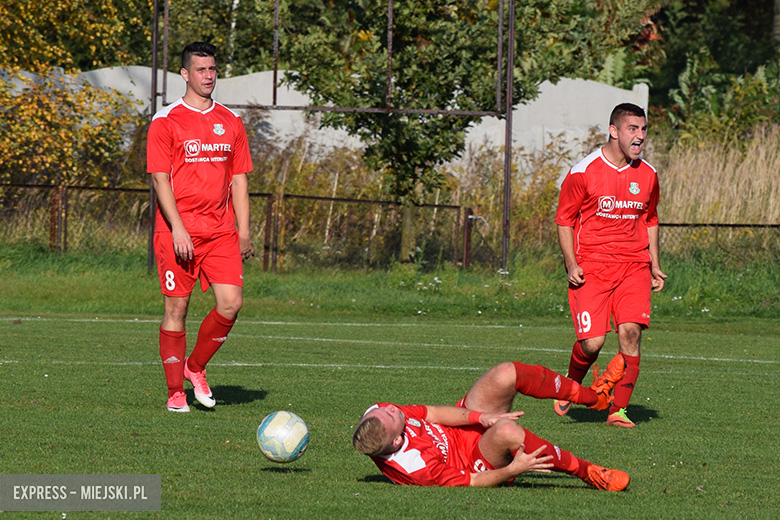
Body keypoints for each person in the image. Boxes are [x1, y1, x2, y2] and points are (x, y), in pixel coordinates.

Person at [146, 42, 254, 412]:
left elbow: (239, 180)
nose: (208, 76)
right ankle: (176, 391)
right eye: (201, 70)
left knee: (231, 303)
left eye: (212, 69)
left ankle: (196, 367)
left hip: (221, 230)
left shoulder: (231, 121)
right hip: (178, 231)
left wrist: (245, 231)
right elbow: (160, 180)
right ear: (185, 74)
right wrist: (177, 228)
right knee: (177, 309)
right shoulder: (166, 120)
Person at [353, 355, 629, 490]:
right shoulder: (416, 470)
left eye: (385, 410)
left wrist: (479, 417)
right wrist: (514, 468)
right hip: (474, 459)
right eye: (392, 415)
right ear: (397, 441)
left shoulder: (378, 414)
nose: (391, 407)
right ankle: (588, 472)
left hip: (462, 426)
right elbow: (472, 481)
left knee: (506, 373)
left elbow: (433, 414)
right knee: (508, 431)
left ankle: (596, 397)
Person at [553, 103, 666, 428]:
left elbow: (651, 218)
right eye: (633, 129)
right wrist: (570, 263)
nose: (640, 136)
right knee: (593, 343)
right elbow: (564, 220)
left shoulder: (648, 174)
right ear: (614, 131)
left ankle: (618, 410)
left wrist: (654, 264)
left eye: (643, 130)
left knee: (630, 334)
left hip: (633, 266)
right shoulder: (583, 172)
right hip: (592, 267)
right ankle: (571, 386)